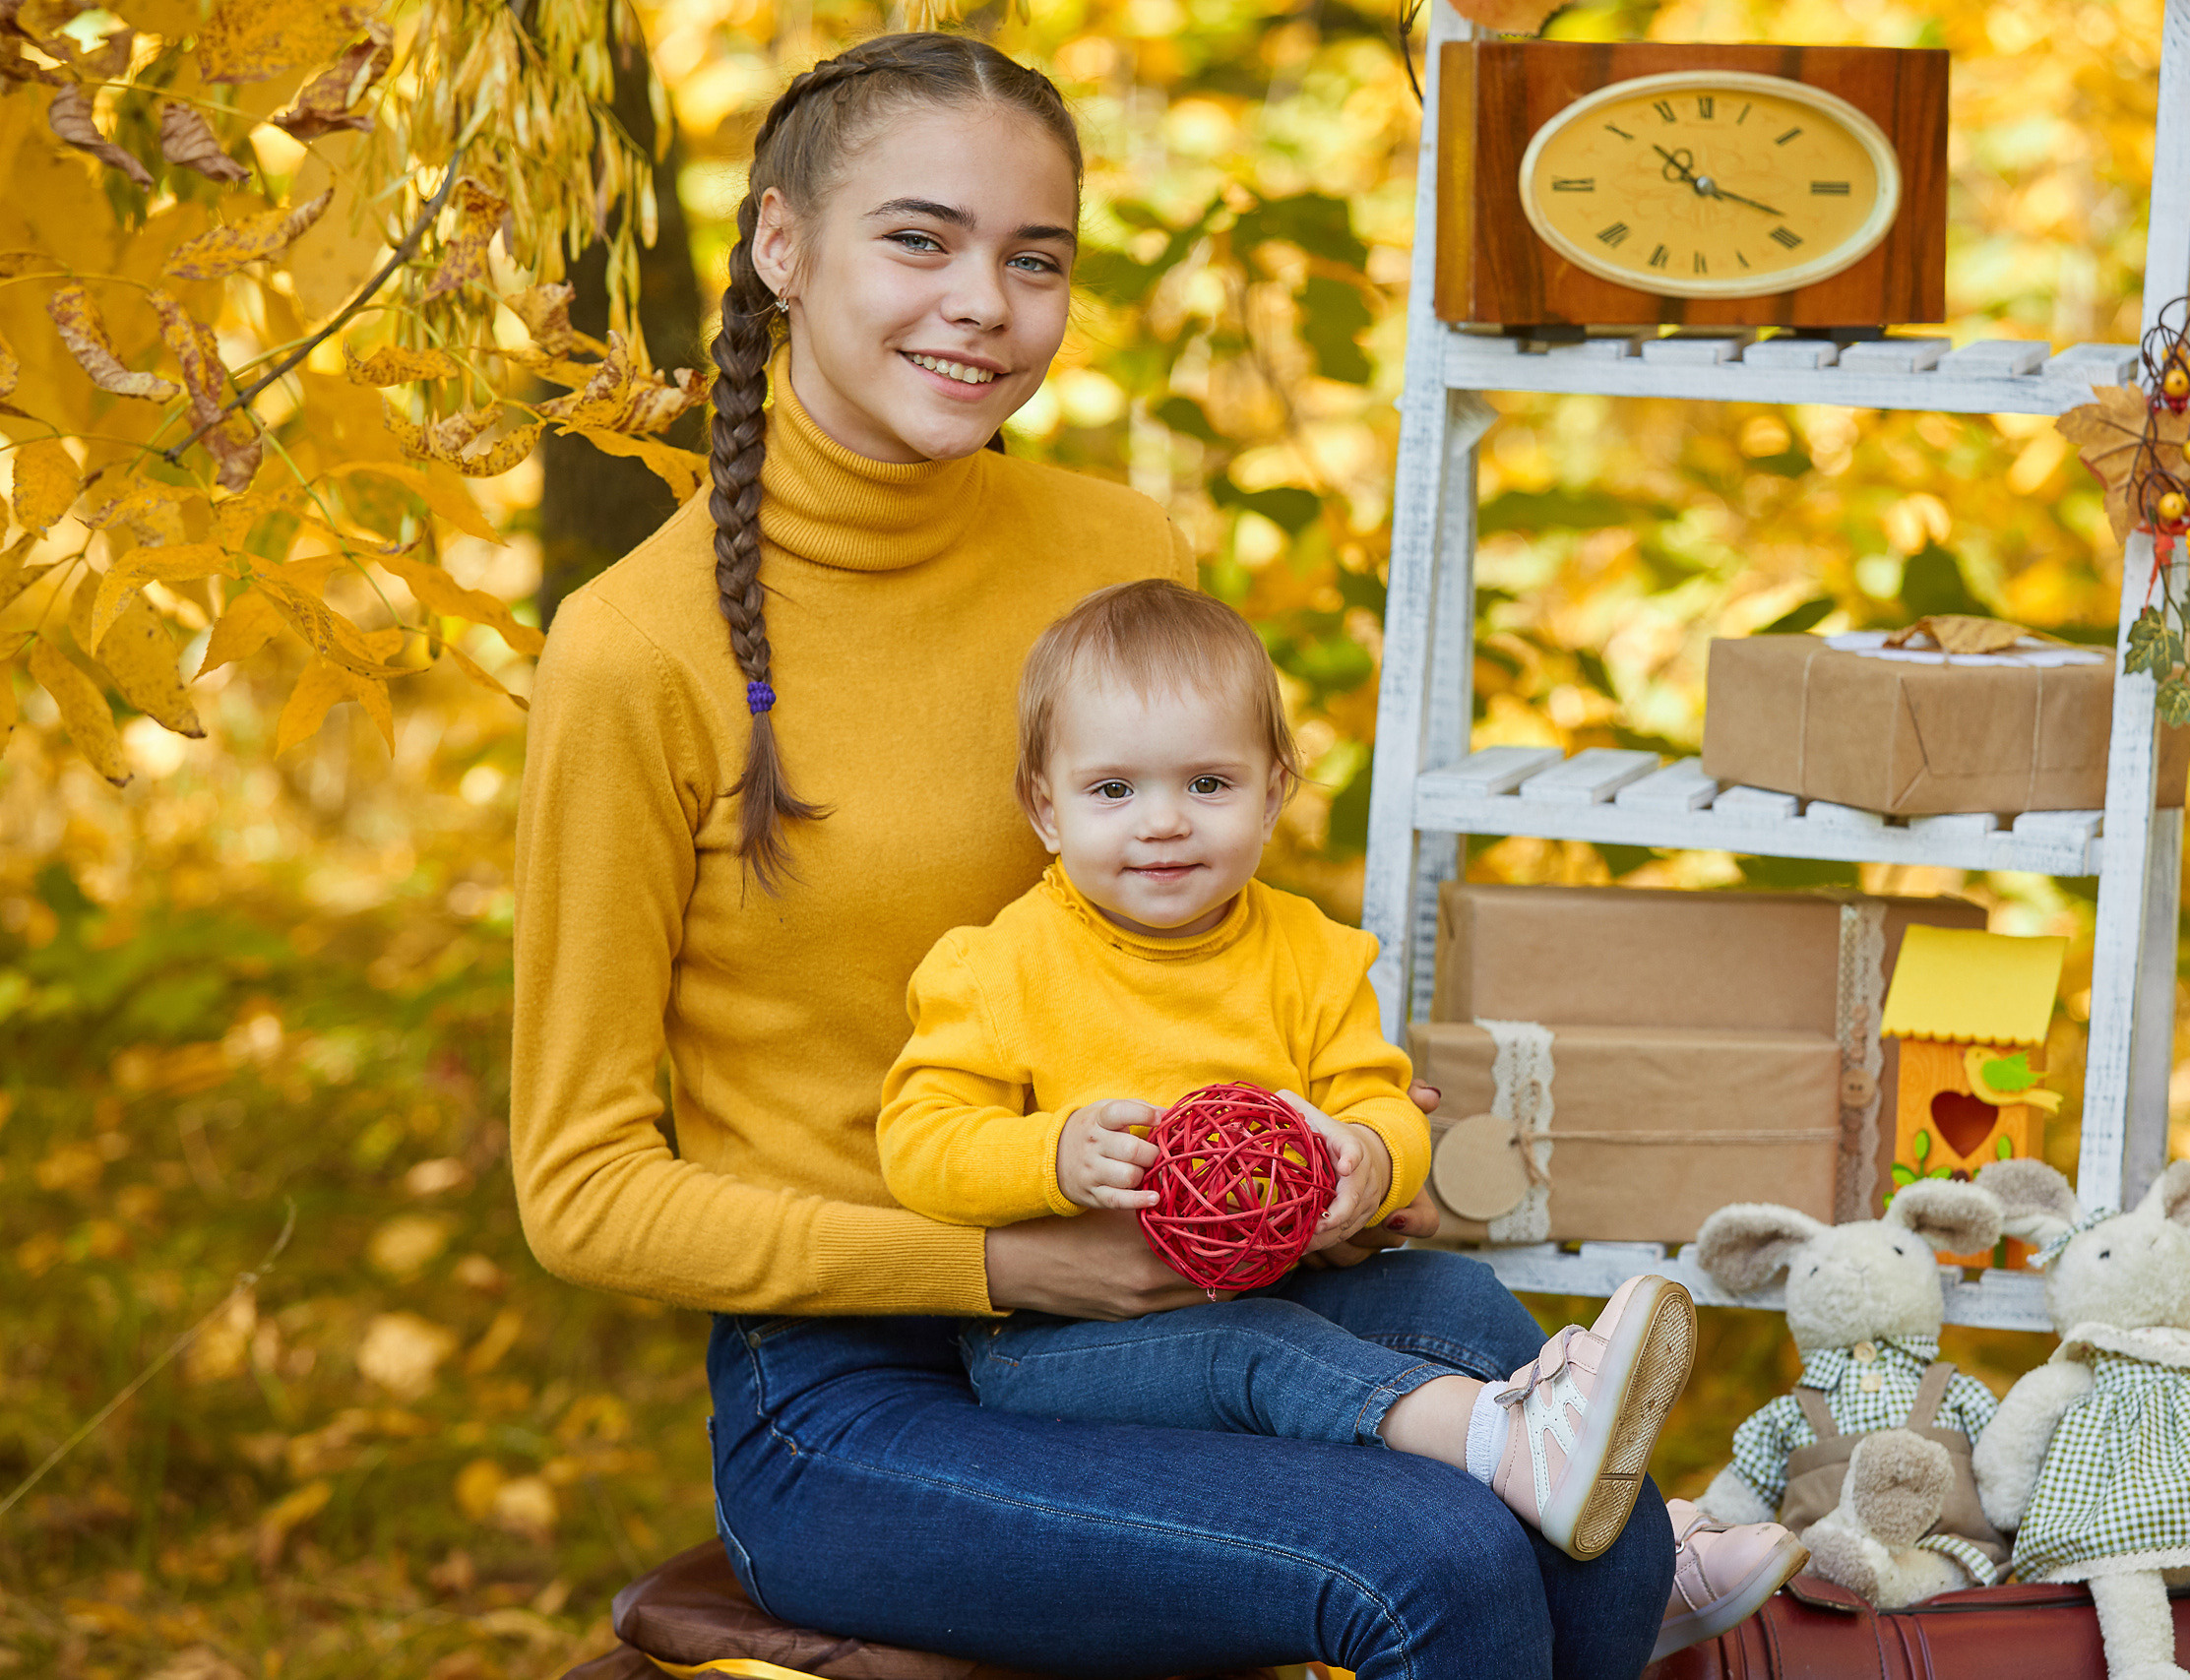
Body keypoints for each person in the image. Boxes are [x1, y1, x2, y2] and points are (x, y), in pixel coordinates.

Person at [510, 31, 1786, 1677]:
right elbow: (582, 1190)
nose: (982, 300)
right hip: (853, 1387)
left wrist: (1314, 1161)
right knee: (1440, 1554)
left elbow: (1213, 926)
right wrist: (994, 1255)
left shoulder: (1121, 546)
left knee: (1543, 1441)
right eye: (920, 238)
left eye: (1031, 259)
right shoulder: (636, 653)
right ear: (779, 246)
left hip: (1194, 1300)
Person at [878, 578, 1699, 1564]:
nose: (1163, 822)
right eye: (1112, 790)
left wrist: (1364, 1155)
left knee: (1455, 1299)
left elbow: (1377, 1105)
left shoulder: (1310, 955)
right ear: (1043, 808)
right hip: (1057, 1345)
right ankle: (1490, 1439)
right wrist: (1050, 1153)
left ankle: (1643, 1539)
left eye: (1207, 785)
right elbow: (917, 1144)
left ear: (1273, 793)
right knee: (1258, 1353)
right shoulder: (997, 968)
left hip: (1280, 1283)